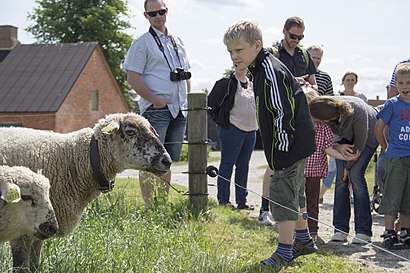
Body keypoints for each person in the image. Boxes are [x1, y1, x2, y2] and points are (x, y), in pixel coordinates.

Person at [223, 20, 317, 269]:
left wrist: (283, 148)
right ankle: (304, 240)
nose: (234, 56)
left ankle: (285, 252)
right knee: (295, 191)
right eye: (230, 52)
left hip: (289, 142)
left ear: (257, 45)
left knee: (282, 193)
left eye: (239, 50)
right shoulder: (260, 67)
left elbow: (281, 112)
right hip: (296, 140)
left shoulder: (269, 71)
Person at [122, 0, 191, 206]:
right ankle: (151, 207)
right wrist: (156, 101)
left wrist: (185, 100)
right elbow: (132, 78)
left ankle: (162, 204)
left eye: (161, 11)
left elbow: (186, 75)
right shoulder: (142, 42)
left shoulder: (178, 41)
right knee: (150, 161)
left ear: (167, 11)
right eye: (153, 14)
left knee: (167, 161)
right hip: (157, 110)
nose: (158, 16)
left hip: (178, 109)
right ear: (146, 16)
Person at [258, 16, 317, 225]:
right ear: (284, 32)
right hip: (280, 111)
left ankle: (299, 225)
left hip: (300, 110)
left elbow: (313, 81)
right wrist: (294, 81)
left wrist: (308, 85)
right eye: (293, 36)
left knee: (295, 166)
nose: (296, 41)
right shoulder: (273, 53)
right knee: (274, 163)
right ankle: (264, 208)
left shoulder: (304, 54)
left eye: (300, 37)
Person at [309, 96, 378, 244]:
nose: (317, 123)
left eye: (318, 121)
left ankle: (363, 231)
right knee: (341, 180)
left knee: (355, 175)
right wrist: (338, 146)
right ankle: (340, 230)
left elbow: (360, 142)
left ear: (326, 117)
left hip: (366, 140)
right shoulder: (325, 115)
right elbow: (328, 140)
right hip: (344, 142)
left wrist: (348, 167)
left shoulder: (357, 111)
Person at [303, 88, 359, 245]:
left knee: (312, 202)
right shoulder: (299, 124)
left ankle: (312, 231)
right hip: (298, 171)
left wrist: (345, 156)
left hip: (314, 172)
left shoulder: (324, 128)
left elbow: (328, 149)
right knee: (298, 202)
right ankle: (297, 231)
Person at [207, 65, 257, 209]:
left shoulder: (253, 83)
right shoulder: (226, 83)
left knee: (243, 166)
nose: (241, 66)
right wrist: (222, 121)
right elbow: (211, 104)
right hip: (232, 128)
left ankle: (242, 201)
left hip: (251, 129)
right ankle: (224, 200)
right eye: (237, 64)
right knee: (227, 164)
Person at [374, 62, 410, 250]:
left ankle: (405, 231)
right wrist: (385, 147)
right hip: (396, 156)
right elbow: (378, 129)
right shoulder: (392, 104)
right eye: (401, 83)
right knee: (392, 194)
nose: (405, 87)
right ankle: (389, 232)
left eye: (409, 83)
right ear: (396, 84)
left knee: (407, 196)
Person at [306, 45, 335, 204]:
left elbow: (330, 101)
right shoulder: (298, 74)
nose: (316, 61)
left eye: (319, 58)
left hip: (320, 122)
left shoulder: (325, 77)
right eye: (313, 57)